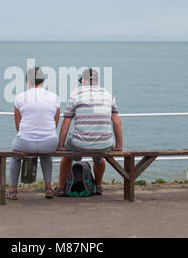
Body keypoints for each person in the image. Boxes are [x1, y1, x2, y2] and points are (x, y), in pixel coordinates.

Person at [56, 68, 123, 196]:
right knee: (98, 157)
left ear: (84, 80)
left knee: (67, 156)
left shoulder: (76, 94)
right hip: (105, 143)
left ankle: (60, 188)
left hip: (79, 144)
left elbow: (66, 121)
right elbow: (116, 120)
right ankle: (98, 186)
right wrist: (119, 145)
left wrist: (60, 144)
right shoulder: (108, 94)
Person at [8, 67, 60, 200]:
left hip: (25, 142)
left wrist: (29, 136)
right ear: (43, 80)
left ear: (27, 80)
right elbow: (55, 124)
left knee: (14, 156)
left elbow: (17, 125)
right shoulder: (54, 97)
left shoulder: (19, 97)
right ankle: (48, 187)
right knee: (46, 156)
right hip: (49, 143)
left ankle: (13, 191)